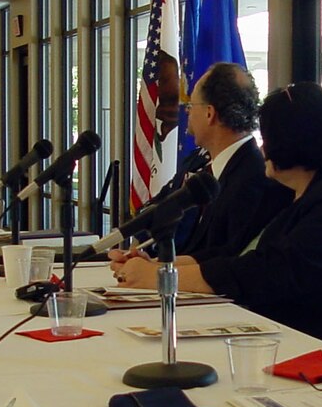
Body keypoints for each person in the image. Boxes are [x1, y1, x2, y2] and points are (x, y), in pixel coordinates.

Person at [113, 82, 322, 358]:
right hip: (292, 343)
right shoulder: (319, 188)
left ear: (291, 143)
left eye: (268, 137)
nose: (262, 149)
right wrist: (163, 266)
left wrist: (161, 279)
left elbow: (272, 272)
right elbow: (244, 253)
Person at [111, 62, 291, 263]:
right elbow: (161, 209)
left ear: (209, 113)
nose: (186, 112)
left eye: (190, 105)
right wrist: (149, 259)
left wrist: (158, 269)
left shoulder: (255, 177)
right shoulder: (199, 162)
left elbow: (229, 256)